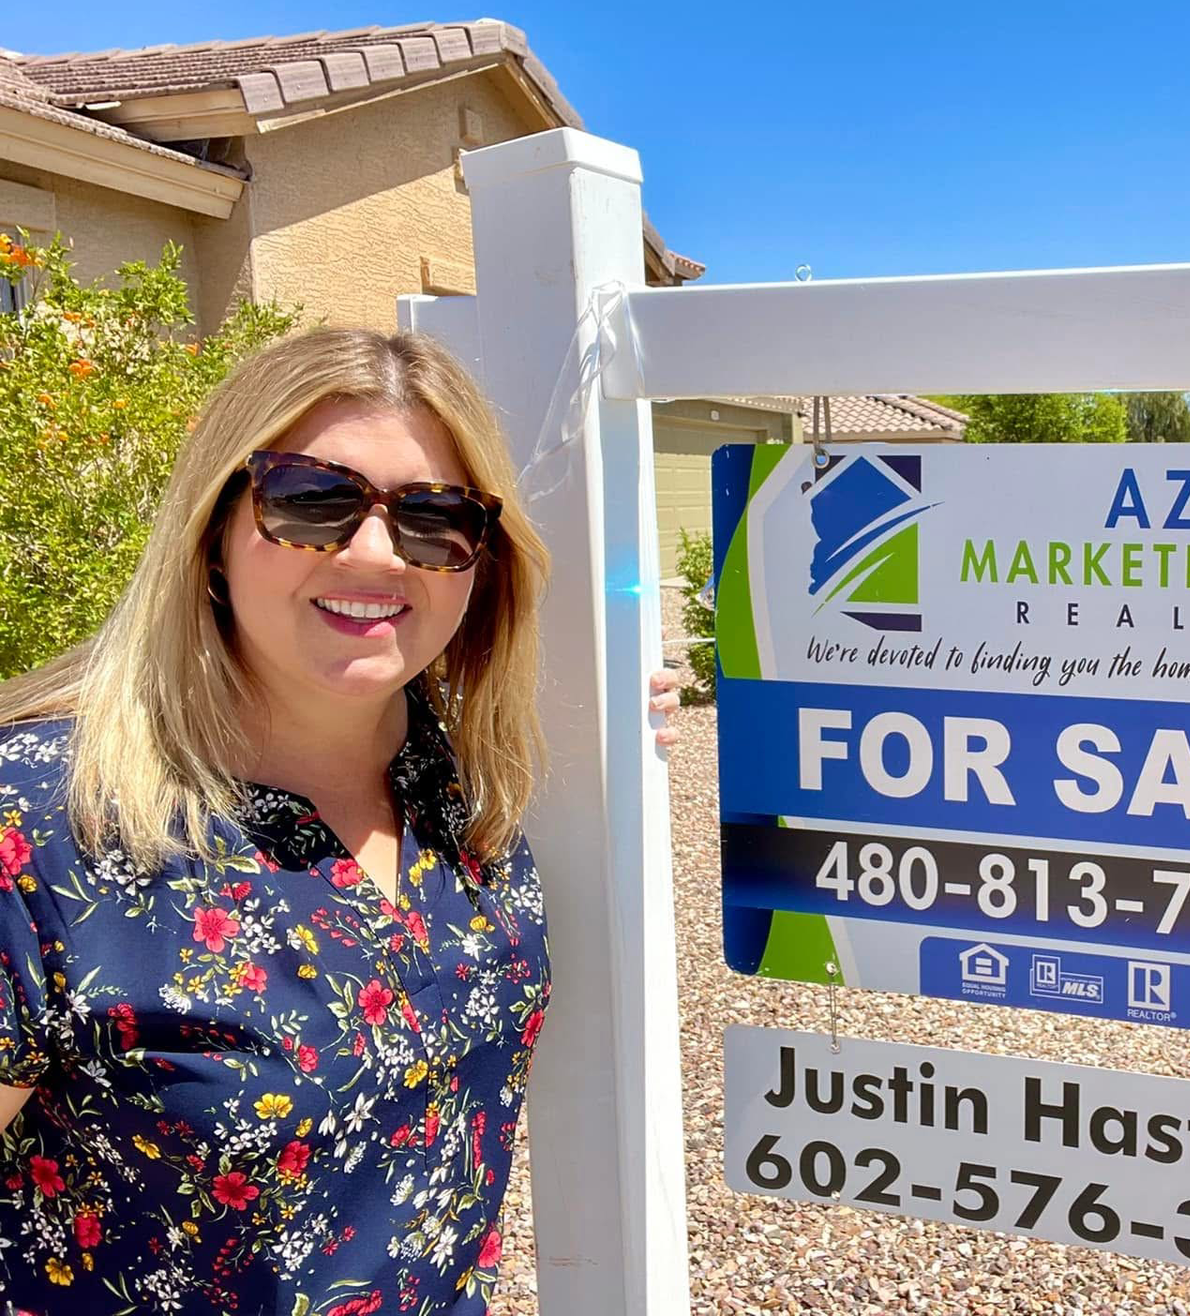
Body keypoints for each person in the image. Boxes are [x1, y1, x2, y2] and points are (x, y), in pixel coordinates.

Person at [0, 328, 681, 1313]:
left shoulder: (465, 779)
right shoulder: (45, 822)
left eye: (434, 518)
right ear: (214, 533)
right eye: (312, 502)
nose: (375, 553)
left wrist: (623, 715)